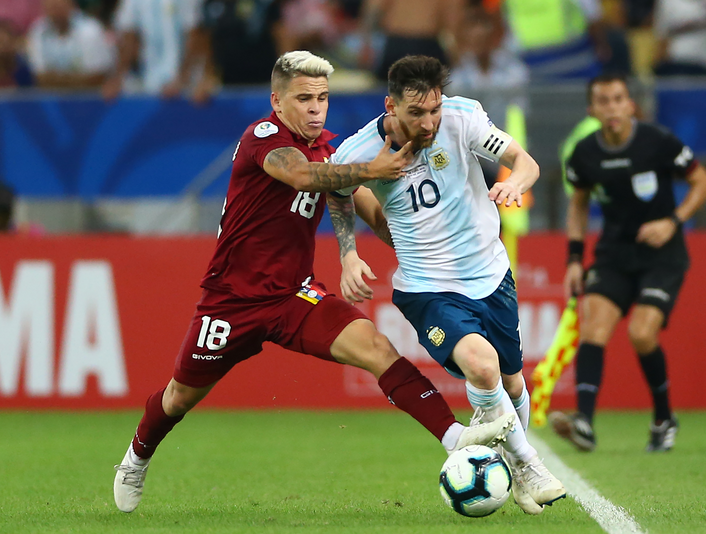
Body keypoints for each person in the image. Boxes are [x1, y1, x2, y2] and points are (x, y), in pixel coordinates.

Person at [112, 50, 516, 514]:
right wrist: (371, 170)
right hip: (232, 301)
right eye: (303, 98)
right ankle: (137, 456)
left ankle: (453, 436)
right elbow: (302, 176)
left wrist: (417, 247)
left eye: (322, 98)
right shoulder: (264, 137)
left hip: (294, 295)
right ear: (277, 102)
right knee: (180, 397)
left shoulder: (333, 151)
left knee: (376, 348)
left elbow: (377, 215)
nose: (314, 108)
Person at [328, 55, 566, 516]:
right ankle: (530, 465)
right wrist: (348, 254)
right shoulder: (356, 152)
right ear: (390, 105)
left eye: (434, 109)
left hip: (491, 274)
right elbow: (337, 193)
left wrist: (515, 181)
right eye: (416, 113)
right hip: (427, 286)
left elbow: (524, 161)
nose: (429, 121)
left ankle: (514, 470)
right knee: (483, 366)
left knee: (512, 383)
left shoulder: (464, 118)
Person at [550, 73, 706, 452]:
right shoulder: (585, 153)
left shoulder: (658, 142)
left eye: (617, 99)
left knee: (642, 334)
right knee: (594, 325)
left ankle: (663, 418)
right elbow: (578, 204)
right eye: (603, 101)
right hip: (614, 254)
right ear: (592, 110)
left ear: (630, 105)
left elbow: (703, 183)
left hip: (663, 255)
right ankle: (585, 424)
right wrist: (574, 259)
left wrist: (672, 222)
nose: (611, 108)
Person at [102, 0, 206, 99]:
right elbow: (129, 39)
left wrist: (182, 78)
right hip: (148, 82)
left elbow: (196, 37)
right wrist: (117, 79)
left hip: (185, 87)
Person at [26, 0, 114, 89]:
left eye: (59, 5)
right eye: (51, 6)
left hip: (89, 98)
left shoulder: (91, 30)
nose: (56, 10)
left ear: (71, 4)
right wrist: (75, 80)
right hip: (52, 99)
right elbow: (39, 77)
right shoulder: (37, 31)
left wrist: (56, 79)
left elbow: (97, 77)